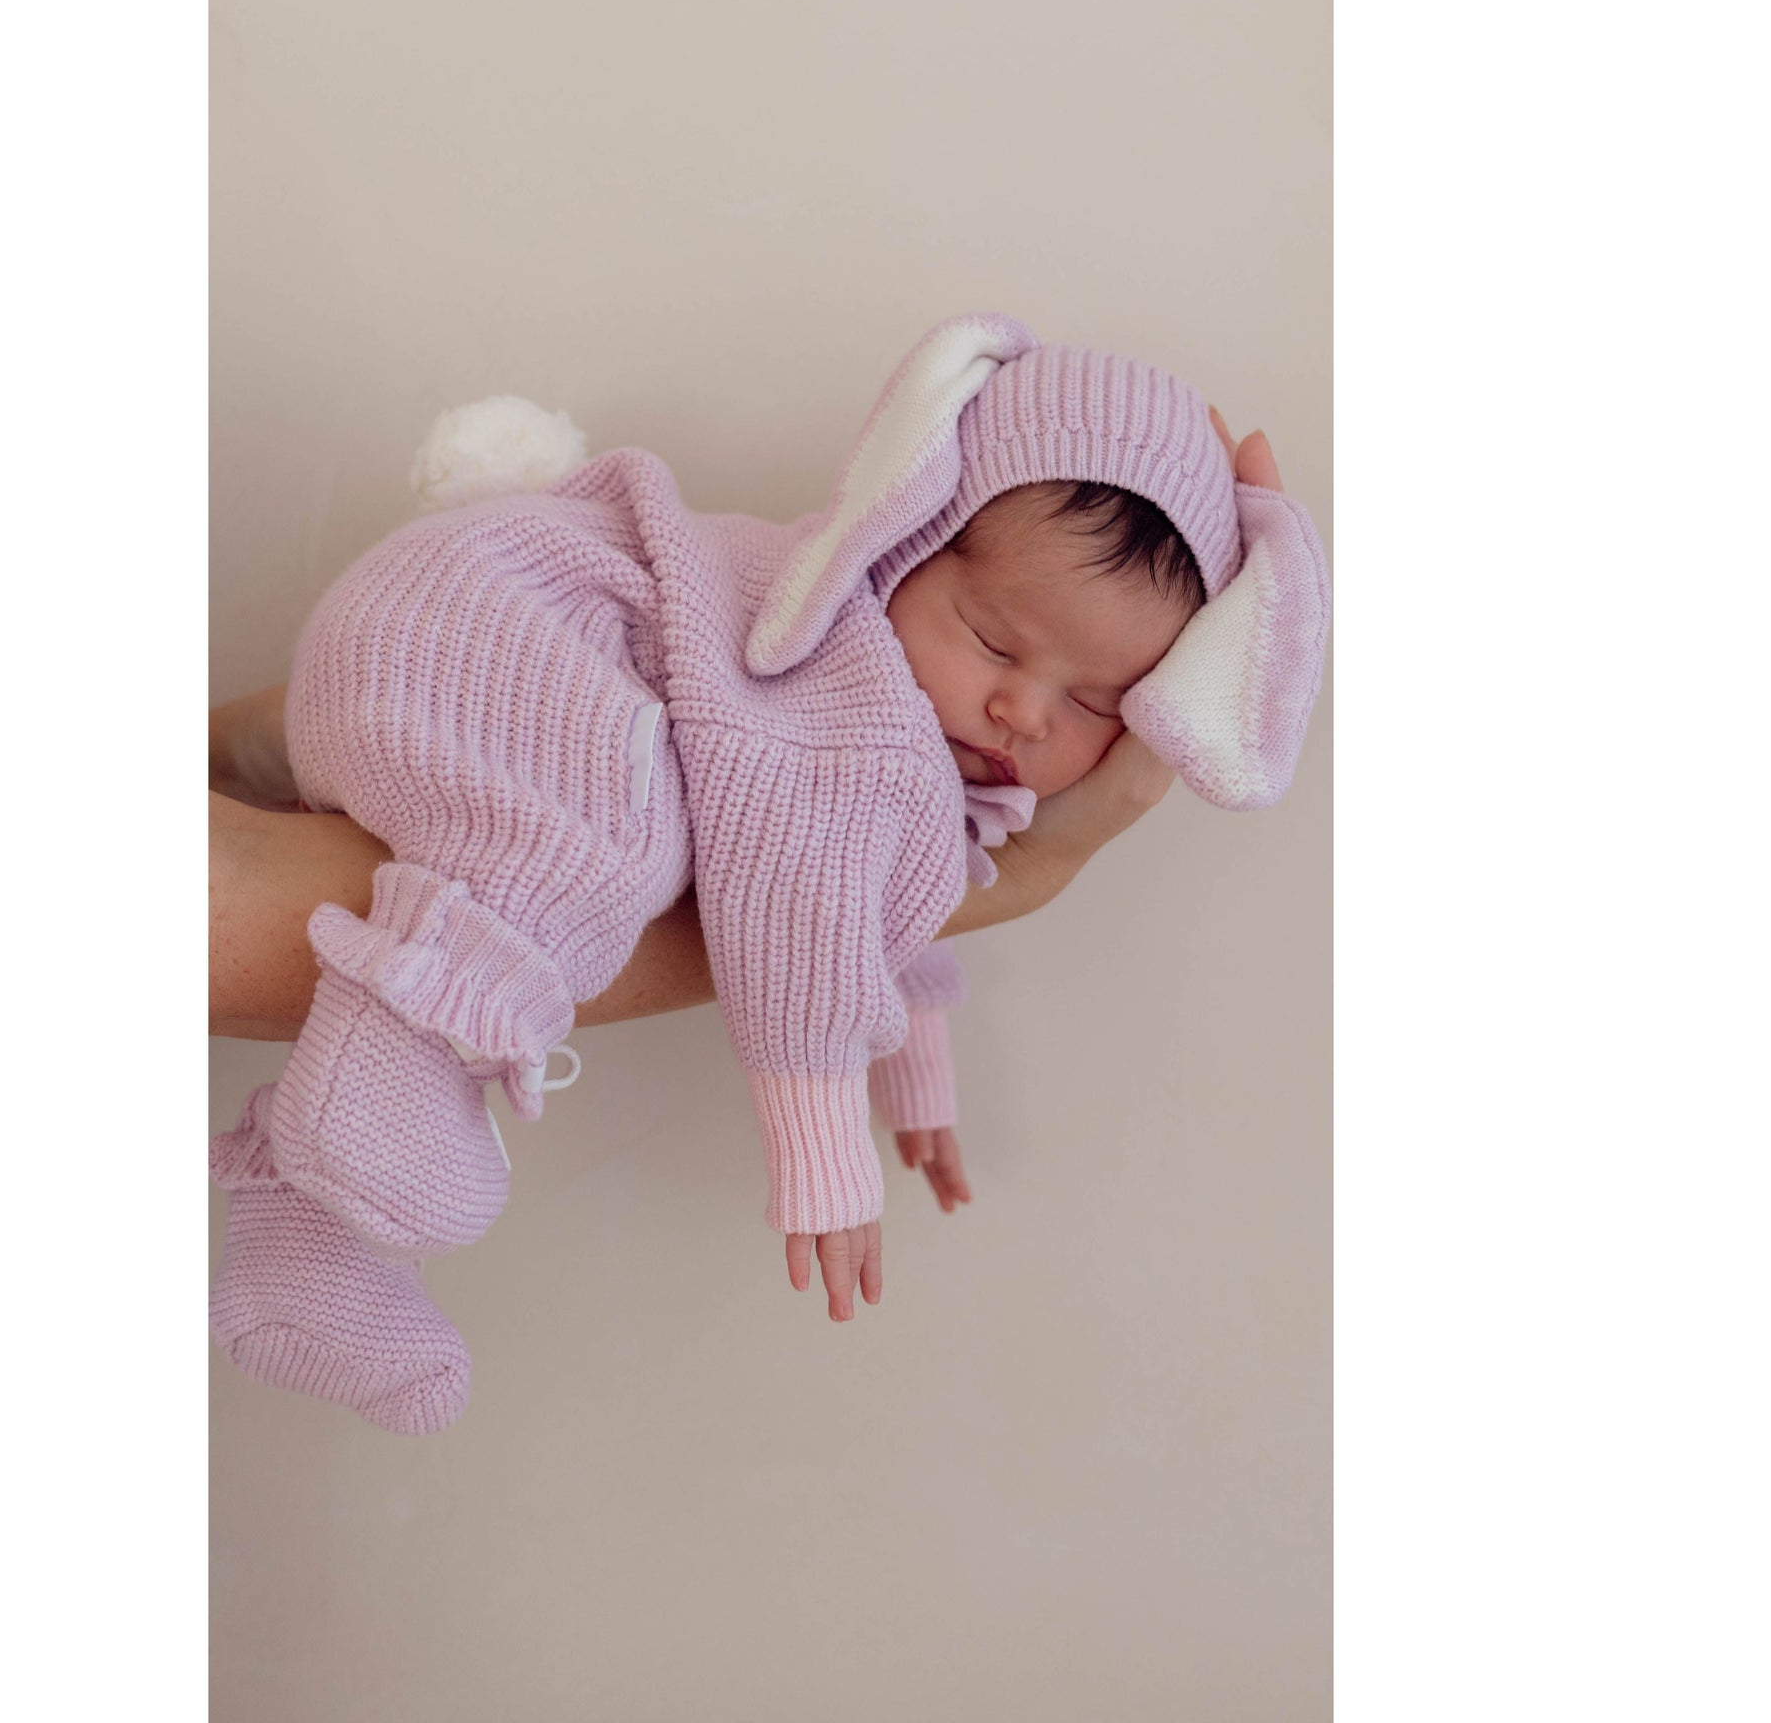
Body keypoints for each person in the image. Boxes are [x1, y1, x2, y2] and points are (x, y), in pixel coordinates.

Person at [208, 315, 1328, 1432]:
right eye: (994, 642)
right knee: (602, 843)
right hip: (482, 634)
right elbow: (801, 911)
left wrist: (915, 1071)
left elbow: (882, 884)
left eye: (1092, 701)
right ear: (905, 538)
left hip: (428, 649)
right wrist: (821, 1149)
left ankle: (299, 1235)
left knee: (591, 834)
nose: (1023, 712)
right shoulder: (854, 675)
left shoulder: (907, 741)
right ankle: (357, 1147)